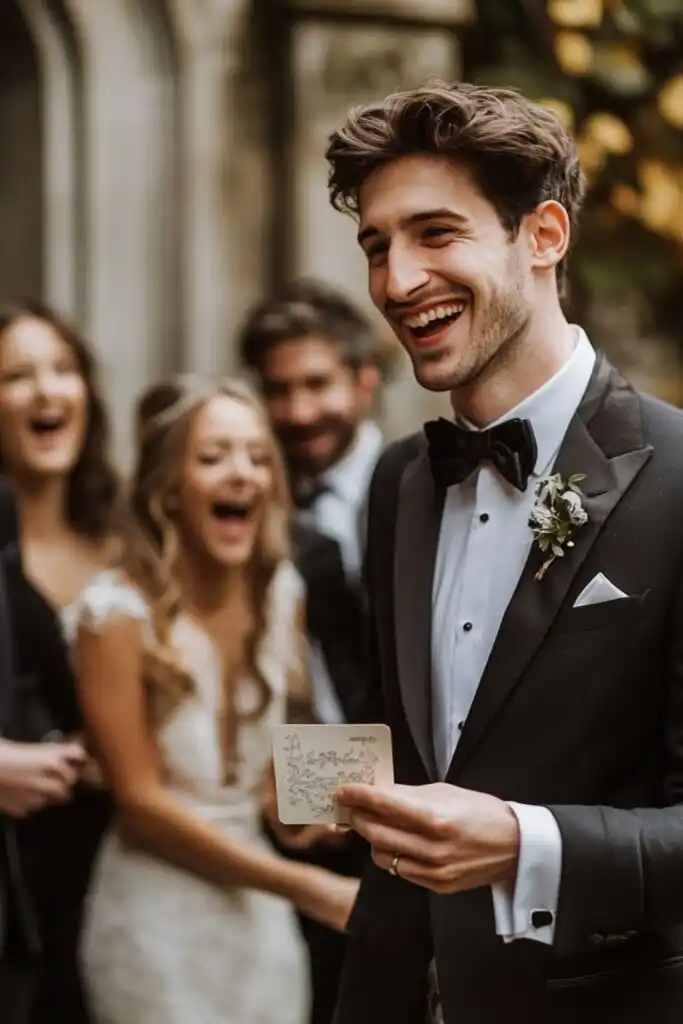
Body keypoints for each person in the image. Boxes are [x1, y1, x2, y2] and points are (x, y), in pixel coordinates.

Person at [323, 81, 683, 1024]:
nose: (397, 283)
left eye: (436, 234)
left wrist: (527, 843)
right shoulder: (398, 481)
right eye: (377, 246)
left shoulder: (681, 479)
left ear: (544, 236)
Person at [73, 375, 359, 1024]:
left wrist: (296, 809)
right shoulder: (111, 614)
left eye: (258, 457)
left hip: (259, 927)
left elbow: (263, 772)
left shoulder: (281, 590)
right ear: (168, 486)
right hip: (154, 924)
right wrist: (308, 886)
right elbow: (141, 806)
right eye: (213, 457)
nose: (242, 475)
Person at [240, 281, 380, 1022]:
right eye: (277, 391)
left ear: (363, 381)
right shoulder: (240, 508)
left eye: (316, 385)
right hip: (294, 835)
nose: (298, 412)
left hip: (420, 822)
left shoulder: (428, 490)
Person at [0, 301, 120, 1024]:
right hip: (13, 885)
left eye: (62, 371)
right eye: (17, 376)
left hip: (123, 869)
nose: (47, 392)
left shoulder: (135, 533)